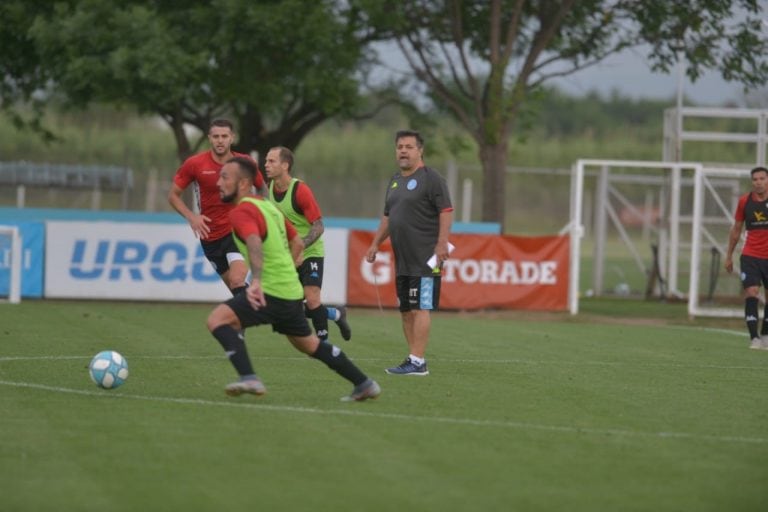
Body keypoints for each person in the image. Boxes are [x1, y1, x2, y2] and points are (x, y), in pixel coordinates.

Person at [207, 156, 380, 401]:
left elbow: (254, 241)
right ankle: (364, 383)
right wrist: (288, 266)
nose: (218, 183)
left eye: (225, 177)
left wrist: (256, 280)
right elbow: (297, 242)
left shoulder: (241, 212)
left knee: (218, 320)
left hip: (272, 290)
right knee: (309, 344)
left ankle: (249, 377)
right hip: (288, 290)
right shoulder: (268, 207)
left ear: (244, 183)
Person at [365, 130, 454, 375]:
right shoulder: (395, 180)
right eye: (399, 147)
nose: (403, 151)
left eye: (409, 147)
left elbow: (446, 211)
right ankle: (413, 358)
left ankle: (417, 361)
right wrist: (374, 244)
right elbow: (388, 216)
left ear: (420, 150)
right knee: (406, 309)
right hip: (403, 259)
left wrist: (442, 243)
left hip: (426, 257)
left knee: (420, 307)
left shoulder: (431, 178)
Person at [168, 118, 267, 296]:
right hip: (210, 236)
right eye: (216, 136)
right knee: (238, 292)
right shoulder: (195, 164)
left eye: (224, 136)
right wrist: (192, 217)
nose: (220, 140)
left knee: (237, 280)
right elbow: (173, 195)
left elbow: (262, 187)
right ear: (209, 138)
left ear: (232, 138)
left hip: (238, 230)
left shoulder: (244, 162)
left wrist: (262, 212)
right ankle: (274, 309)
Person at [264, 146, 351, 343]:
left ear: (285, 165)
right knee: (282, 307)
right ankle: (335, 314)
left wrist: (301, 245)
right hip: (288, 255)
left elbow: (319, 226)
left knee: (312, 299)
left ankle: (325, 346)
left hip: (310, 251)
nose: (266, 165)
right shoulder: (269, 188)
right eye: (266, 161)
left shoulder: (300, 190)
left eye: (271, 161)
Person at [725, 165, 768, 351]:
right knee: (751, 293)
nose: (758, 182)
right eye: (755, 179)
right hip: (750, 256)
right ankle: (754, 338)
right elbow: (736, 230)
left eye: (762, 179)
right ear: (752, 182)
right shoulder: (744, 202)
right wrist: (728, 256)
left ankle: (766, 335)